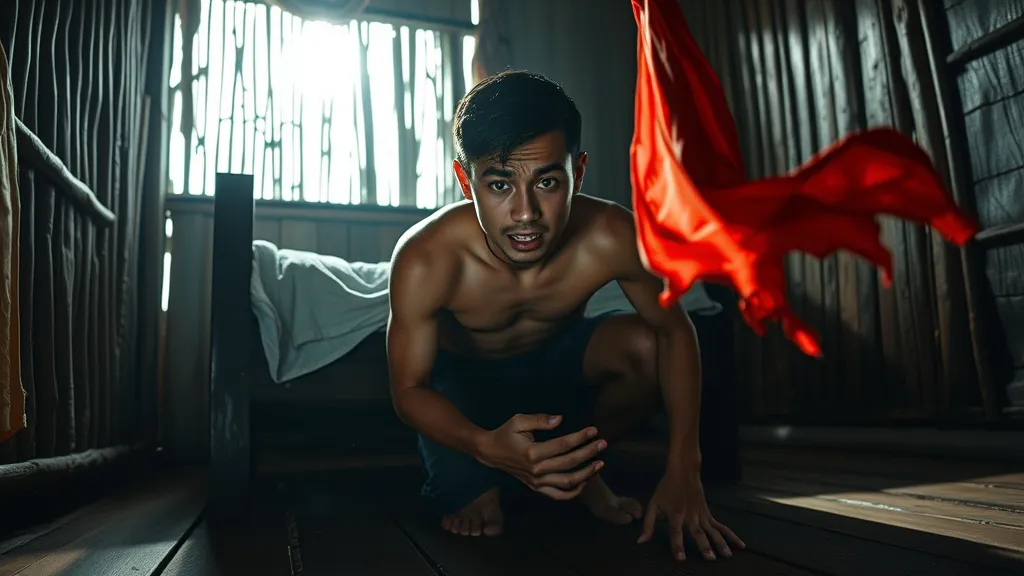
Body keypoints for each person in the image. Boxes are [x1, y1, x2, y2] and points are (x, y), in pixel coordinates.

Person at [386, 69, 744, 562]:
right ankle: (491, 474)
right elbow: (409, 389)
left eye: (548, 182)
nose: (525, 213)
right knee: (481, 516)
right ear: (466, 182)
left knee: (646, 346)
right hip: (464, 387)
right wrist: (483, 445)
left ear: (579, 171)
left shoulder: (612, 235)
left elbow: (675, 330)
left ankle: (579, 466)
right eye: (500, 184)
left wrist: (685, 464)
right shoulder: (425, 258)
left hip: (555, 368)